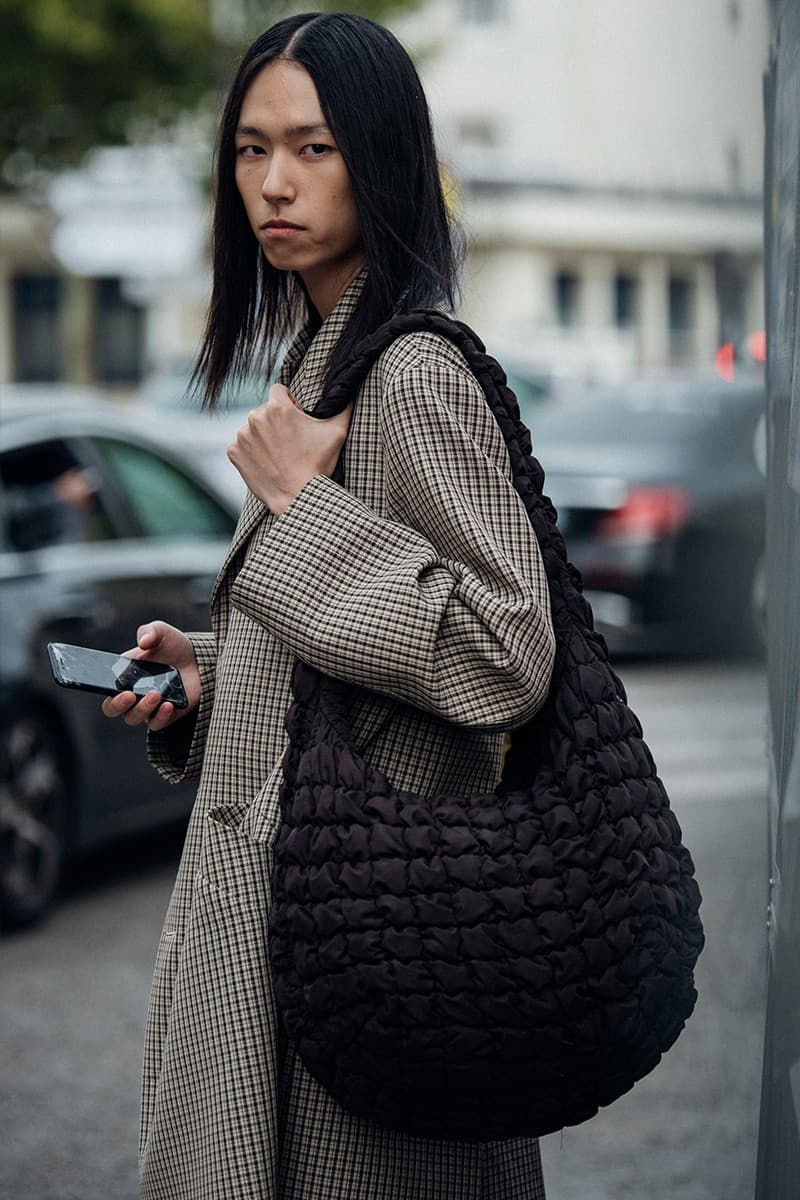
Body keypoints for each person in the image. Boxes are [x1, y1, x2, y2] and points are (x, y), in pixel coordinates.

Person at [103, 12, 556, 1199]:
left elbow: (505, 651)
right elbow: (355, 625)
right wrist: (210, 675)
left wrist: (303, 506)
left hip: (362, 934)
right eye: (250, 151)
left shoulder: (409, 372)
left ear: (382, 154)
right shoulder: (321, 359)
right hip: (298, 921)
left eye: (311, 147)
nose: (273, 184)